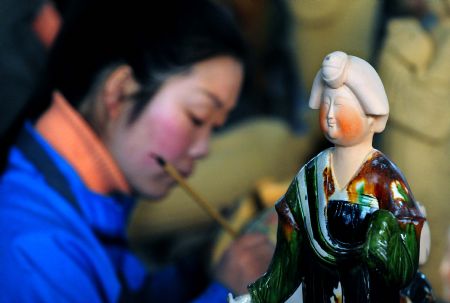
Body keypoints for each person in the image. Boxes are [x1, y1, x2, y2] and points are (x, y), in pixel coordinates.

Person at [0, 0, 274, 302]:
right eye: (197, 116)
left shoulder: (88, 196)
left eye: (214, 127)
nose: (203, 148)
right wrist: (226, 293)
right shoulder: (35, 251)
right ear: (119, 91)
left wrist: (200, 271)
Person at [229, 51, 429, 303]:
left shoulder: (384, 179)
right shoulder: (309, 177)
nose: (330, 114)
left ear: (374, 119)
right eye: (327, 103)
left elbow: (403, 263)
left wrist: (382, 235)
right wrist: (258, 297)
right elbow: (287, 262)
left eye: (341, 106)